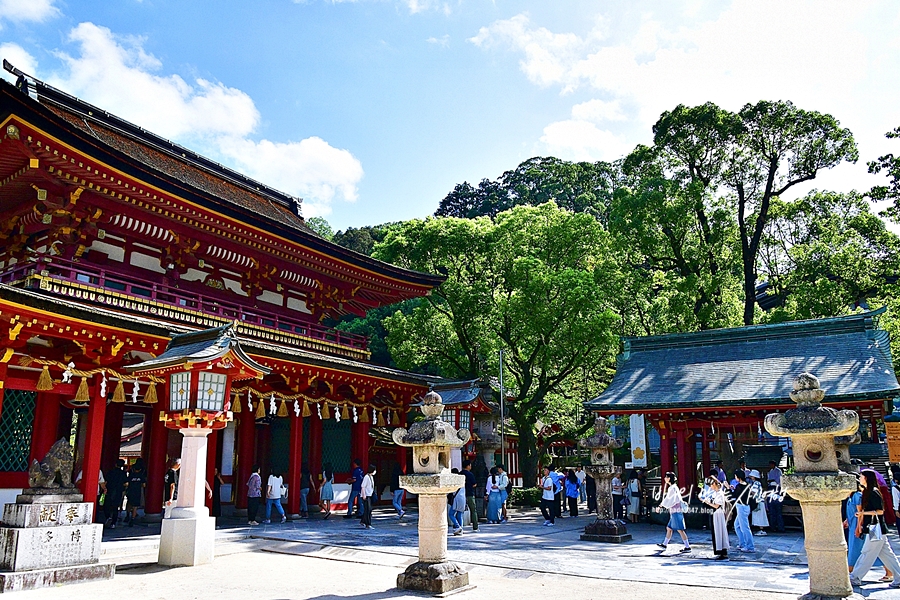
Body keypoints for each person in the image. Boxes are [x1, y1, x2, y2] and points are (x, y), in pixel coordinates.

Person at [850, 470, 900, 588]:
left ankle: (855, 577)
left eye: (861, 476)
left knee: (867, 553)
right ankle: (898, 577)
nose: (860, 478)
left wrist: (863, 513)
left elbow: (880, 511)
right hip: (875, 528)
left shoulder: (873, 492)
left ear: (867, 478)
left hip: (875, 528)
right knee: (887, 555)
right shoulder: (868, 492)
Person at [657, 471, 691, 553]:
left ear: (669, 478)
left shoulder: (672, 488)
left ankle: (687, 547)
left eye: (666, 477)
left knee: (680, 530)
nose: (665, 478)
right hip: (675, 510)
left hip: (675, 511)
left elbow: (668, 499)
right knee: (669, 528)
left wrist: (660, 506)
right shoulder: (674, 487)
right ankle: (665, 544)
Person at [701, 476, 729, 560]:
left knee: (719, 532)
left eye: (710, 485)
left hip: (718, 513)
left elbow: (717, 505)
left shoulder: (719, 493)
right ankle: (720, 551)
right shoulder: (716, 492)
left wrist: (707, 502)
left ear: (714, 484)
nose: (710, 487)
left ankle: (722, 552)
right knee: (717, 532)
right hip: (716, 514)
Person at [732, 469, 755, 553]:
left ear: (738, 477)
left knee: (744, 527)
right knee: (737, 525)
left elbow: (734, 495)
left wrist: (728, 488)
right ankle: (742, 543)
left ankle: (750, 546)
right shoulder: (747, 485)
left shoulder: (739, 486)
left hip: (741, 507)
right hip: (745, 507)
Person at [104, 459, 127, 529]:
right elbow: (126, 483)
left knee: (107, 505)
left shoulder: (110, 472)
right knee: (115, 507)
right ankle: (113, 523)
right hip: (118, 491)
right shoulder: (123, 473)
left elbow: (106, 481)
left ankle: (108, 517)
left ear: (116, 464)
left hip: (110, 490)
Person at [124, 458, 146, 526]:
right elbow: (144, 485)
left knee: (129, 503)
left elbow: (126, 483)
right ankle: (133, 519)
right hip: (137, 491)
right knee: (135, 506)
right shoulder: (141, 475)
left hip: (130, 490)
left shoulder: (131, 475)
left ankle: (127, 515)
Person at [748, 470, 769, 536]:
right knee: (759, 516)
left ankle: (762, 530)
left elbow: (754, 492)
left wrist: (749, 490)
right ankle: (761, 529)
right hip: (759, 501)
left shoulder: (756, 483)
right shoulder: (758, 483)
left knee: (759, 517)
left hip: (758, 501)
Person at [767, 461, 785, 533]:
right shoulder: (770, 471)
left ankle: (781, 527)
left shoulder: (778, 471)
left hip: (777, 488)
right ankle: (773, 527)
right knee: (772, 512)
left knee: (778, 512)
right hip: (771, 488)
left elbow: (778, 480)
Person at [461, 459, 479, 531]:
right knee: (473, 510)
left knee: (459, 511)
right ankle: (475, 526)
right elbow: (474, 484)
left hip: (461, 494)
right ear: (468, 466)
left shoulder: (460, 473)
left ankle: (459, 526)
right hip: (470, 494)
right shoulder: (470, 474)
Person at [448, 470, 466, 535]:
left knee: (451, 514)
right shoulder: (462, 481)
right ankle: (461, 529)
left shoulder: (454, 482)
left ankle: (458, 526)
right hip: (463, 498)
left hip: (457, 499)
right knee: (459, 514)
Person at [360, 464, 376, 529]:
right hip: (366, 495)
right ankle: (368, 524)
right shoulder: (366, 477)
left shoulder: (371, 477)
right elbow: (363, 486)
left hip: (370, 495)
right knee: (368, 510)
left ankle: (363, 521)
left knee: (368, 509)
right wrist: (364, 495)